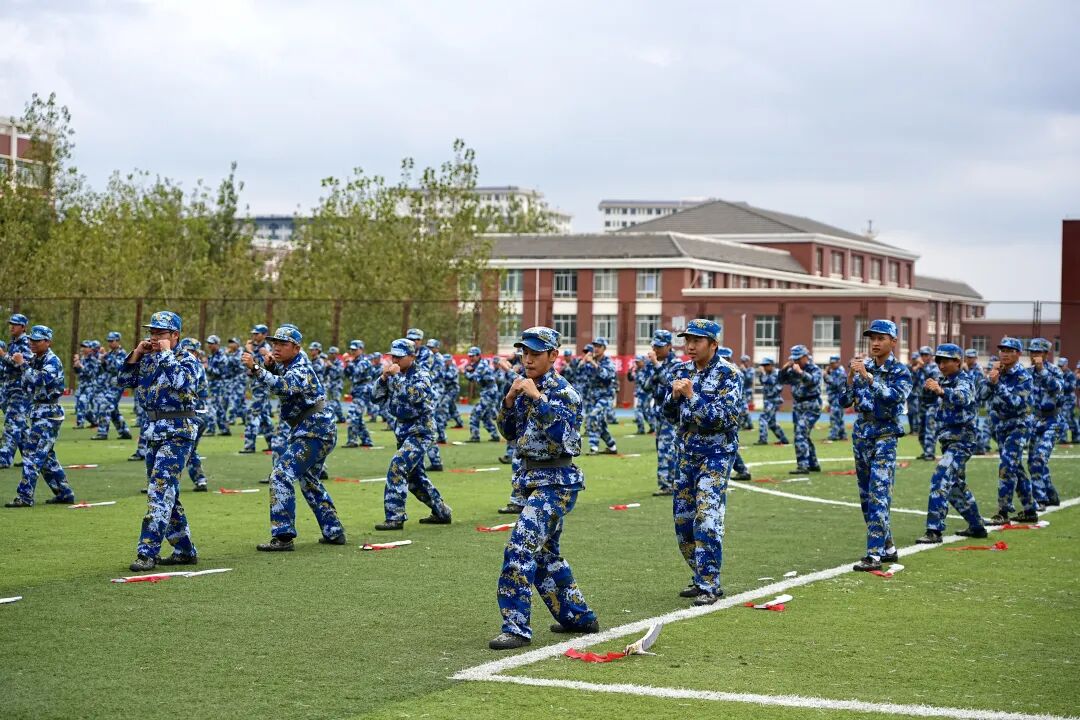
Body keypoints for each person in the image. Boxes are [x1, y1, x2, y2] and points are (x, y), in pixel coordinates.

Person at [488, 326, 598, 650]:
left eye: (536, 353)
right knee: (547, 556)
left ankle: (516, 627)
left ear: (553, 355)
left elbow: (567, 440)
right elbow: (509, 433)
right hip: (531, 481)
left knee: (520, 548)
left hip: (556, 482)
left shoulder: (564, 393)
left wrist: (538, 400)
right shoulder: (523, 386)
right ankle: (578, 616)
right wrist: (509, 401)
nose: (528, 359)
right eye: (525, 352)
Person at [661, 319, 742, 605]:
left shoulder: (729, 374)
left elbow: (725, 418)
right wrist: (673, 398)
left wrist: (692, 396)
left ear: (713, 344)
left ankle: (710, 583)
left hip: (716, 453)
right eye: (688, 340)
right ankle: (700, 575)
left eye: (697, 341)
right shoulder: (680, 371)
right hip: (686, 452)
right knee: (683, 521)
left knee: (707, 518)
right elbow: (668, 415)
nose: (690, 346)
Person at [243, 325, 346, 550]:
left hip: (314, 431)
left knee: (280, 475)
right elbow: (281, 382)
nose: (276, 348)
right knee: (309, 482)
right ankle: (334, 530)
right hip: (313, 430)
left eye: (283, 344)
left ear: (297, 348)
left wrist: (257, 368)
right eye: (275, 344)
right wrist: (270, 367)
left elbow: (284, 386)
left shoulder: (301, 367)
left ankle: (283, 537)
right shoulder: (290, 365)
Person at [120, 311, 201, 571]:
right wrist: (136, 354)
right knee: (166, 493)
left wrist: (166, 353)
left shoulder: (187, 360)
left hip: (178, 430)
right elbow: (124, 381)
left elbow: (181, 383)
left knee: (160, 490)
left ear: (175, 335)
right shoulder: (149, 359)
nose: (154, 337)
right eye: (152, 332)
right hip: (154, 431)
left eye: (160, 333)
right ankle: (184, 549)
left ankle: (147, 552)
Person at [838, 319, 911, 572]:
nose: (876, 343)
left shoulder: (900, 371)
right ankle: (888, 547)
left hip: (885, 435)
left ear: (893, 341)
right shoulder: (864, 367)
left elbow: (894, 397)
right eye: (873, 338)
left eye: (881, 338)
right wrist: (850, 376)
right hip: (862, 434)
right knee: (866, 498)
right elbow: (844, 401)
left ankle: (874, 555)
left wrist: (868, 378)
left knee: (879, 493)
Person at [372, 338, 452, 531]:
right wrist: (383, 378)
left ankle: (395, 517)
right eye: (393, 356)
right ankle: (442, 512)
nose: (395, 360)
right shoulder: (393, 375)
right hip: (402, 431)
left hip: (420, 431)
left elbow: (413, 396)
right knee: (415, 479)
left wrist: (395, 377)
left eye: (399, 357)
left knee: (397, 466)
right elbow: (375, 397)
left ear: (412, 357)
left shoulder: (421, 375)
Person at [916, 344, 986, 543]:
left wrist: (940, 391)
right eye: (939, 361)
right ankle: (977, 526)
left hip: (962, 439)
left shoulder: (965, 380)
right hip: (948, 439)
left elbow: (962, 397)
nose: (941, 365)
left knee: (940, 478)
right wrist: (929, 388)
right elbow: (926, 400)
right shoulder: (944, 380)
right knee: (954, 485)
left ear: (957, 361)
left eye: (946, 361)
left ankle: (934, 530)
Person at [4, 325, 75, 508]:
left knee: (32, 453)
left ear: (48, 342)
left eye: (37, 340)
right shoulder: (36, 359)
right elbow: (27, 385)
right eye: (31, 340)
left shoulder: (52, 360)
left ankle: (25, 496)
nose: (32, 343)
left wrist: (22, 364)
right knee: (46, 457)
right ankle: (64, 492)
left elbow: (40, 380)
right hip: (39, 411)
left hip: (48, 413)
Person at [985, 337, 1037, 525]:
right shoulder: (997, 372)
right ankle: (1030, 510)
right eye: (1002, 350)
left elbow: (1017, 404)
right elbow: (981, 395)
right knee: (1016, 467)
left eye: (1009, 351)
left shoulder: (1023, 376)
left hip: (1019, 425)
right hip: (1001, 426)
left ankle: (1003, 511)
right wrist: (990, 379)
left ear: (1018, 354)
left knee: (1007, 465)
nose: (1005, 354)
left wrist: (998, 384)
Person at [1026, 338, 1062, 508]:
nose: (1034, 355)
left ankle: (1040, 499)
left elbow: (1057, 389)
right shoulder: (1027, 373)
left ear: (1046, 354)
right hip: (1034, 421)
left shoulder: (1054, 371)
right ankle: (1051, 494)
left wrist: (1042, 371)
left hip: (1052, 421)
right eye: (1032, 352)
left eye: (1038, 352)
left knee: (1039, 459)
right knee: (1032, 461)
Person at [644, 330, 680, 496]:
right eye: (654, 346)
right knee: (662, 448)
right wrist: (653, 371)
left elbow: (670, 383)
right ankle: (671, 482)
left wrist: (657, 366)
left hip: (671, 412)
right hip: (658, 411)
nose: (655, 350)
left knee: (667, 448)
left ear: (669, 346)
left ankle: (667, 484)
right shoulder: (654, 363)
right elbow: (645, 386)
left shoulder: (676, 364)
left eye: (659, 346)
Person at [779, 344, 823, 474]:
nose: (796, 361)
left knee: (800, 433)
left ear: (805, 357)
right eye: (794, 359)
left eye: (798, 358)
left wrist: (801, 373)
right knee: (804, 435)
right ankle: (813, 464)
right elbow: (781, 380)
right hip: (798, 407)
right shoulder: (793, 369)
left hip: (811, 406)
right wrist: (784, 369)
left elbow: (813, 381)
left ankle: (803, 466)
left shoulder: (814, 369)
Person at [0, 313, 32, 468]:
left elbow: (21, 364)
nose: (12, 327)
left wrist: (3, 355)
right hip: (11, 389)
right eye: (11, 324)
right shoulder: (14, 343)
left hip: (20, 390)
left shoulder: (26, 343)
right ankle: (30, 456)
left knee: (12, 423)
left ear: (23, 327)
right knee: (21, 425)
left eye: (15, 324)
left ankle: (4, 458)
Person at [178, 338, 209, 492]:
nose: (187, 353)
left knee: (184, 448)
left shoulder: (193, 366)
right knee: (188, 449)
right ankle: (200, 480)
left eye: (190, 351)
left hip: (195, 414)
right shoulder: (194, 365)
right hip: (195, 413)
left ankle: (163, 482)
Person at [92, 331, 133, 441]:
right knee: (113, 410)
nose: (110, 343)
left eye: (112, 341)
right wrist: (102, 361)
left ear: (117, 341)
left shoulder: (122, 353)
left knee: (105, 405)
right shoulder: (110, 353)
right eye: (108, 341)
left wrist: (106, 357)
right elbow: (106, 369)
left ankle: (102, 432)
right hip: (109, 384)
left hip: (117, 384)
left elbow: (118, 367)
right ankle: (124, 432)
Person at [240, 324, 274, 454]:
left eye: (257, 334)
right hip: (256, 385)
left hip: (262, 386)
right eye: (253, 333)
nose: (254, 336)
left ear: (264, 335)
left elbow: (261, 367)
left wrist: (250, 351)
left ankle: (249, 445)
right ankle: (272, 443)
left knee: (252, 414)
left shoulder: (265, 349)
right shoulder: (256, 347)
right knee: (264, 416)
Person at [584, 337, 618, 455]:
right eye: (595, 346)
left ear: (604, 348)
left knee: (593, 417)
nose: (596, 348)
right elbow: (582, 376)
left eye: (599, 346)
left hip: (605, 397)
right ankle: (612, 447)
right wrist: (584, 362)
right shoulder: (590, 361)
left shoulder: (608, 362)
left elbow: (607, 376)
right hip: (593, 398)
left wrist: (593, 364)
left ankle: (593, 448)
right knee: (601, 425)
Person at [464, 347, 500, 442]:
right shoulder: (478, 364)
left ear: (478, 355)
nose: (471, 358)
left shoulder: (482, 364)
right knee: (485, 416)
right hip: (488, 392)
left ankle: (475, 437)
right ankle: (495, 435)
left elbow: (473, 378)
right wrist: (470, 369)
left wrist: (466, 372)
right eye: (469, 356)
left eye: (473, 356)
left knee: (475, 414)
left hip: (489, 393)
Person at [343, 340, 375, 448]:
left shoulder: (364, 361)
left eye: (355, 349)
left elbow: (356, 373)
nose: (352, 352)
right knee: (358, 417)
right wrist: (347, 364)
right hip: (357, 392)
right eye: (351, 350)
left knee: (352, 415)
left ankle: (352, 440)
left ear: (361, 349)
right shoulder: (355, 361)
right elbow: (347, 375)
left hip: (363, 392)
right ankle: (367, 440)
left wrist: (349, 363)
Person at [912, 346, 941, 460]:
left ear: (930, 356)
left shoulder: (935, 367)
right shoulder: (919, 368)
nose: (924, 357)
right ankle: (926, 450)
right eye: (922, 355)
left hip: (933, 402)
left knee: (930, 428)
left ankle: (930, 453)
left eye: (926, 355)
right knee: (921, 430)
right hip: (922, 402)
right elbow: (912, 382)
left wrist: (922, 367)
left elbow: (933, 380)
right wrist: (915, 370)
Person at [754, 358, 789, 445]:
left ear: (771, 365)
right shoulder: (767, 374)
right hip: (768, 400)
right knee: (772, 423)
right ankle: (784, 439)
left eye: (766, 365)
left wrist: (763, 373)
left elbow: (770, 381)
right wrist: (762, 374)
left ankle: (763, 440)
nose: (764, 367)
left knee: (763, 418)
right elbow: (762, 381)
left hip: (773, 400)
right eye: (763, 366)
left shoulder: (777, 373)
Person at [964, 349, 991, 454]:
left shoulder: (977, 370)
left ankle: (980, 447)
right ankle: (975, 446)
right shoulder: (964, 368)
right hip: (965, 401)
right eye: (968, 357)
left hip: (974, 401)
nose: (969, 359)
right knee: (969, 425)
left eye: (971, 357)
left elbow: (973, 384)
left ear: (976, 358)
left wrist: (966, 371)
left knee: (974, 424)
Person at [205, 335, 232, 436]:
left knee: (214, 407)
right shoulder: (212, 356)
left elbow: (221, 372)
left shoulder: (222, 356)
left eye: (211, 343)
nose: (209, 345)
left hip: (219, 385)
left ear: (217, 344)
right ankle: (224, 429)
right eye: (208, 343)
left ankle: (212, 429)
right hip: (213, 384)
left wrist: (207, 368)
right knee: (218, 407)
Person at [627, 354, 654, 435]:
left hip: (646, 393)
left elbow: (647, 382)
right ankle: (653, 426)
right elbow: (631, 378)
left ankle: (641, 429)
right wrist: (629, 372)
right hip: (640, 393)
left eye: (639, 361)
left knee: (638, 410)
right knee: (646, 412)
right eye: (636, 362)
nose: (637, 363)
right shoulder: (637, 370)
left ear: (643, 361)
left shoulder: (647, 370)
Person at [824, 354, 848, 441]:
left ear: (838, 362)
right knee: (839, 416)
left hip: (837, 397)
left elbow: (836, 384)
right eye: (831, 363)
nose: (831, 365)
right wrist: (827, 374)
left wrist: (826, 376)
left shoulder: (840, 372)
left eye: (833, 363)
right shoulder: (833, 371)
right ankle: (842, 434)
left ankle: (834, 435)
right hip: (833, 398)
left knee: (834, 416)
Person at [1055, 357, 1078, 444]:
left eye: (1062, 366)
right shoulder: (1057, 374)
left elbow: (1072, 387)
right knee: (1070, 418)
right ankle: (1075, 436)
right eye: (1059, 366)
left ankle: (1064, 437)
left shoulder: (1070, 375)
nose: (1060, 367)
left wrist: (1060, 385)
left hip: (1069, 400)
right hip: (1061, 400)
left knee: (1065, 417)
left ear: (1066, 365)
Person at [738, 355, 755, 430]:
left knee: (744, 408)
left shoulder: (751, 370)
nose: (744, 363)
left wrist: (744, 370)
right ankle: (746, 425)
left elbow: (749, 379)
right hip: (740, 392)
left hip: (747, 392)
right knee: (742, 409)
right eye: (742, 361)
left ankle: (749, 425)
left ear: (748, 362)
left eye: (745, 361)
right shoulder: (739, 370)